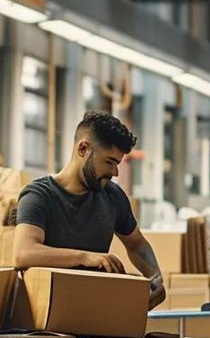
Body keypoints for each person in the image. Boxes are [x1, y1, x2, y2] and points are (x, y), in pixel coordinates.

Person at [13, 111, 167, 309]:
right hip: (49, 320)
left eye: (117, 164)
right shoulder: (39, 196)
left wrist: (156, 278)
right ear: (83, 149)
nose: (115, 172)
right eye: (110, 162)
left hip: (95, 312)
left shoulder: (112, 196)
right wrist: (84, 257)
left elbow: (136, 244)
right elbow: (24, 252)